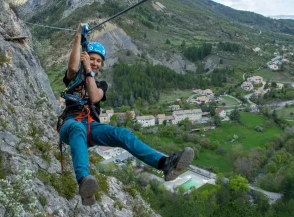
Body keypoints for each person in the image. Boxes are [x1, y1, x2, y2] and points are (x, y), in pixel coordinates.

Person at [58, 24, 194, 206]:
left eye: (99, 61)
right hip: (71, 124)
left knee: (123, 135)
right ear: (85, 59)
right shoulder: (73, 78)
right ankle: (84, 183)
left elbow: (94, 96)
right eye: (92, 59)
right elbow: (72, 65)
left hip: (91, 126)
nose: (96, 63)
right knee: (76, 128)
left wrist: (88, 70)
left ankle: (164, 164)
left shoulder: (101, 84)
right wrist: (77, 36)